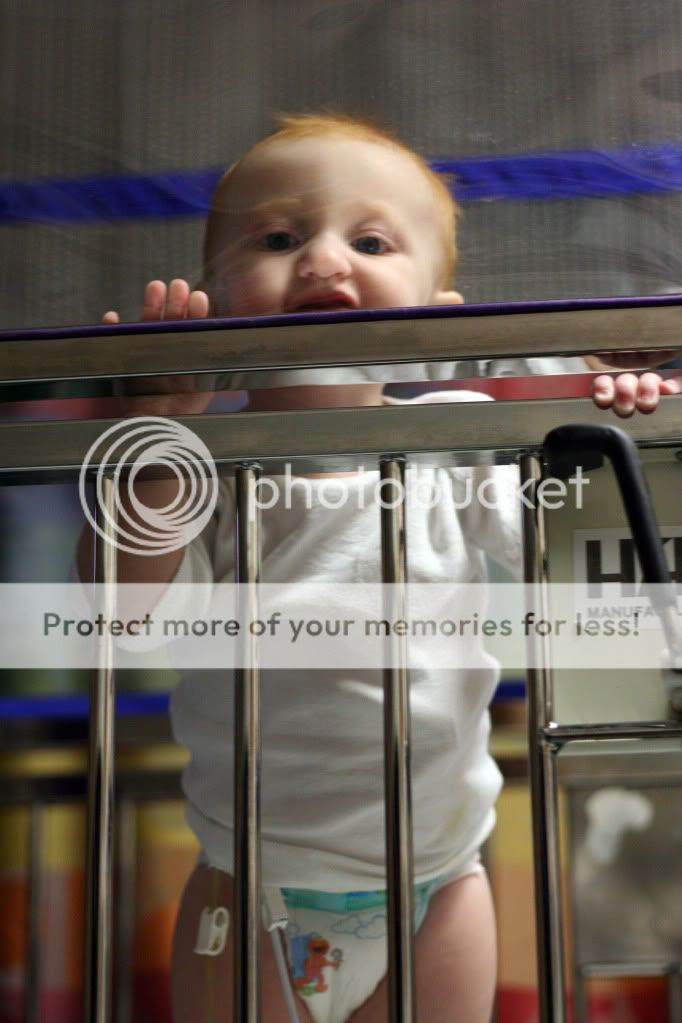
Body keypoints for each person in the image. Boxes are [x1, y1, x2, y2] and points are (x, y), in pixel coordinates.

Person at [88, 112, 666, 1023]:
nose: (323, 260)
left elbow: (600, 569)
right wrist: (154, 441)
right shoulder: (204, 463)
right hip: (249, 883)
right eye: (278, 239)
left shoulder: (457, 438)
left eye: (369, 242)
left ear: (437, 318)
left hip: (438, 882)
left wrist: (624, 428)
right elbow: (120, 610)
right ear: (216, 299)